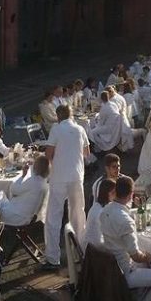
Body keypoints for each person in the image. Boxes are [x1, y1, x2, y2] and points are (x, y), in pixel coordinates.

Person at [43, 104, 90, 271]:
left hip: (59, 177)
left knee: (53, 218)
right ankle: (81, 252)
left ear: (58, 116)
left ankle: (52, 258)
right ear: (71, 115)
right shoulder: (80, 129)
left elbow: (48, 154)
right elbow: (87, 153)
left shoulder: (56, 129)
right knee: (78, 214)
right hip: (77, 176)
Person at [0, 155, 50, 226]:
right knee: (0, 198)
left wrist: (23, 176)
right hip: (27, 216)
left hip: (17, 216)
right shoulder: (44, 183)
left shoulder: (33, 181)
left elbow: (13, 189)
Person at [82, 177, 116, 251]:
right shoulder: (100, 212)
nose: (115, 195)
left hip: (92, 248)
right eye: (113, 193)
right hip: (94, 253)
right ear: (105, 194)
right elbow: (99, 243)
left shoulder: (97, 206)